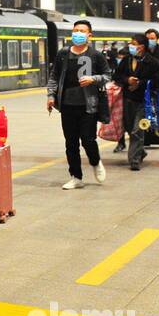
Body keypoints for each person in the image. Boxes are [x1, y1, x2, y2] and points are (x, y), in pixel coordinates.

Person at [46, 20, 110, 190]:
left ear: (90, 35)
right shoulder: (63, 54)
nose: (78, 33)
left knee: (88, 140)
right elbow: (54, 77)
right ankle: (76, 177)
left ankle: (95, 162)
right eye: (75, 30)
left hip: (88, 105)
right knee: (71, 142)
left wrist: (93, 79)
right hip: (67, 105)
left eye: (82, 31)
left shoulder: (96, 55)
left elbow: (107, 76)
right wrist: (51, 96)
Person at [113, 33, 159, 171]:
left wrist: (140, 83)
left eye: (134, 44)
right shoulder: (126, 60)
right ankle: (140, 151)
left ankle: (134, 160)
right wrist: (127, 80)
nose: (131, 46)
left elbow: (158, 81)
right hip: (127, 99)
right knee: (129, 128)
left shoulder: (154, 63)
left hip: (144, 101)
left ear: (142, 47)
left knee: (137, 129)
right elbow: (116, 75)